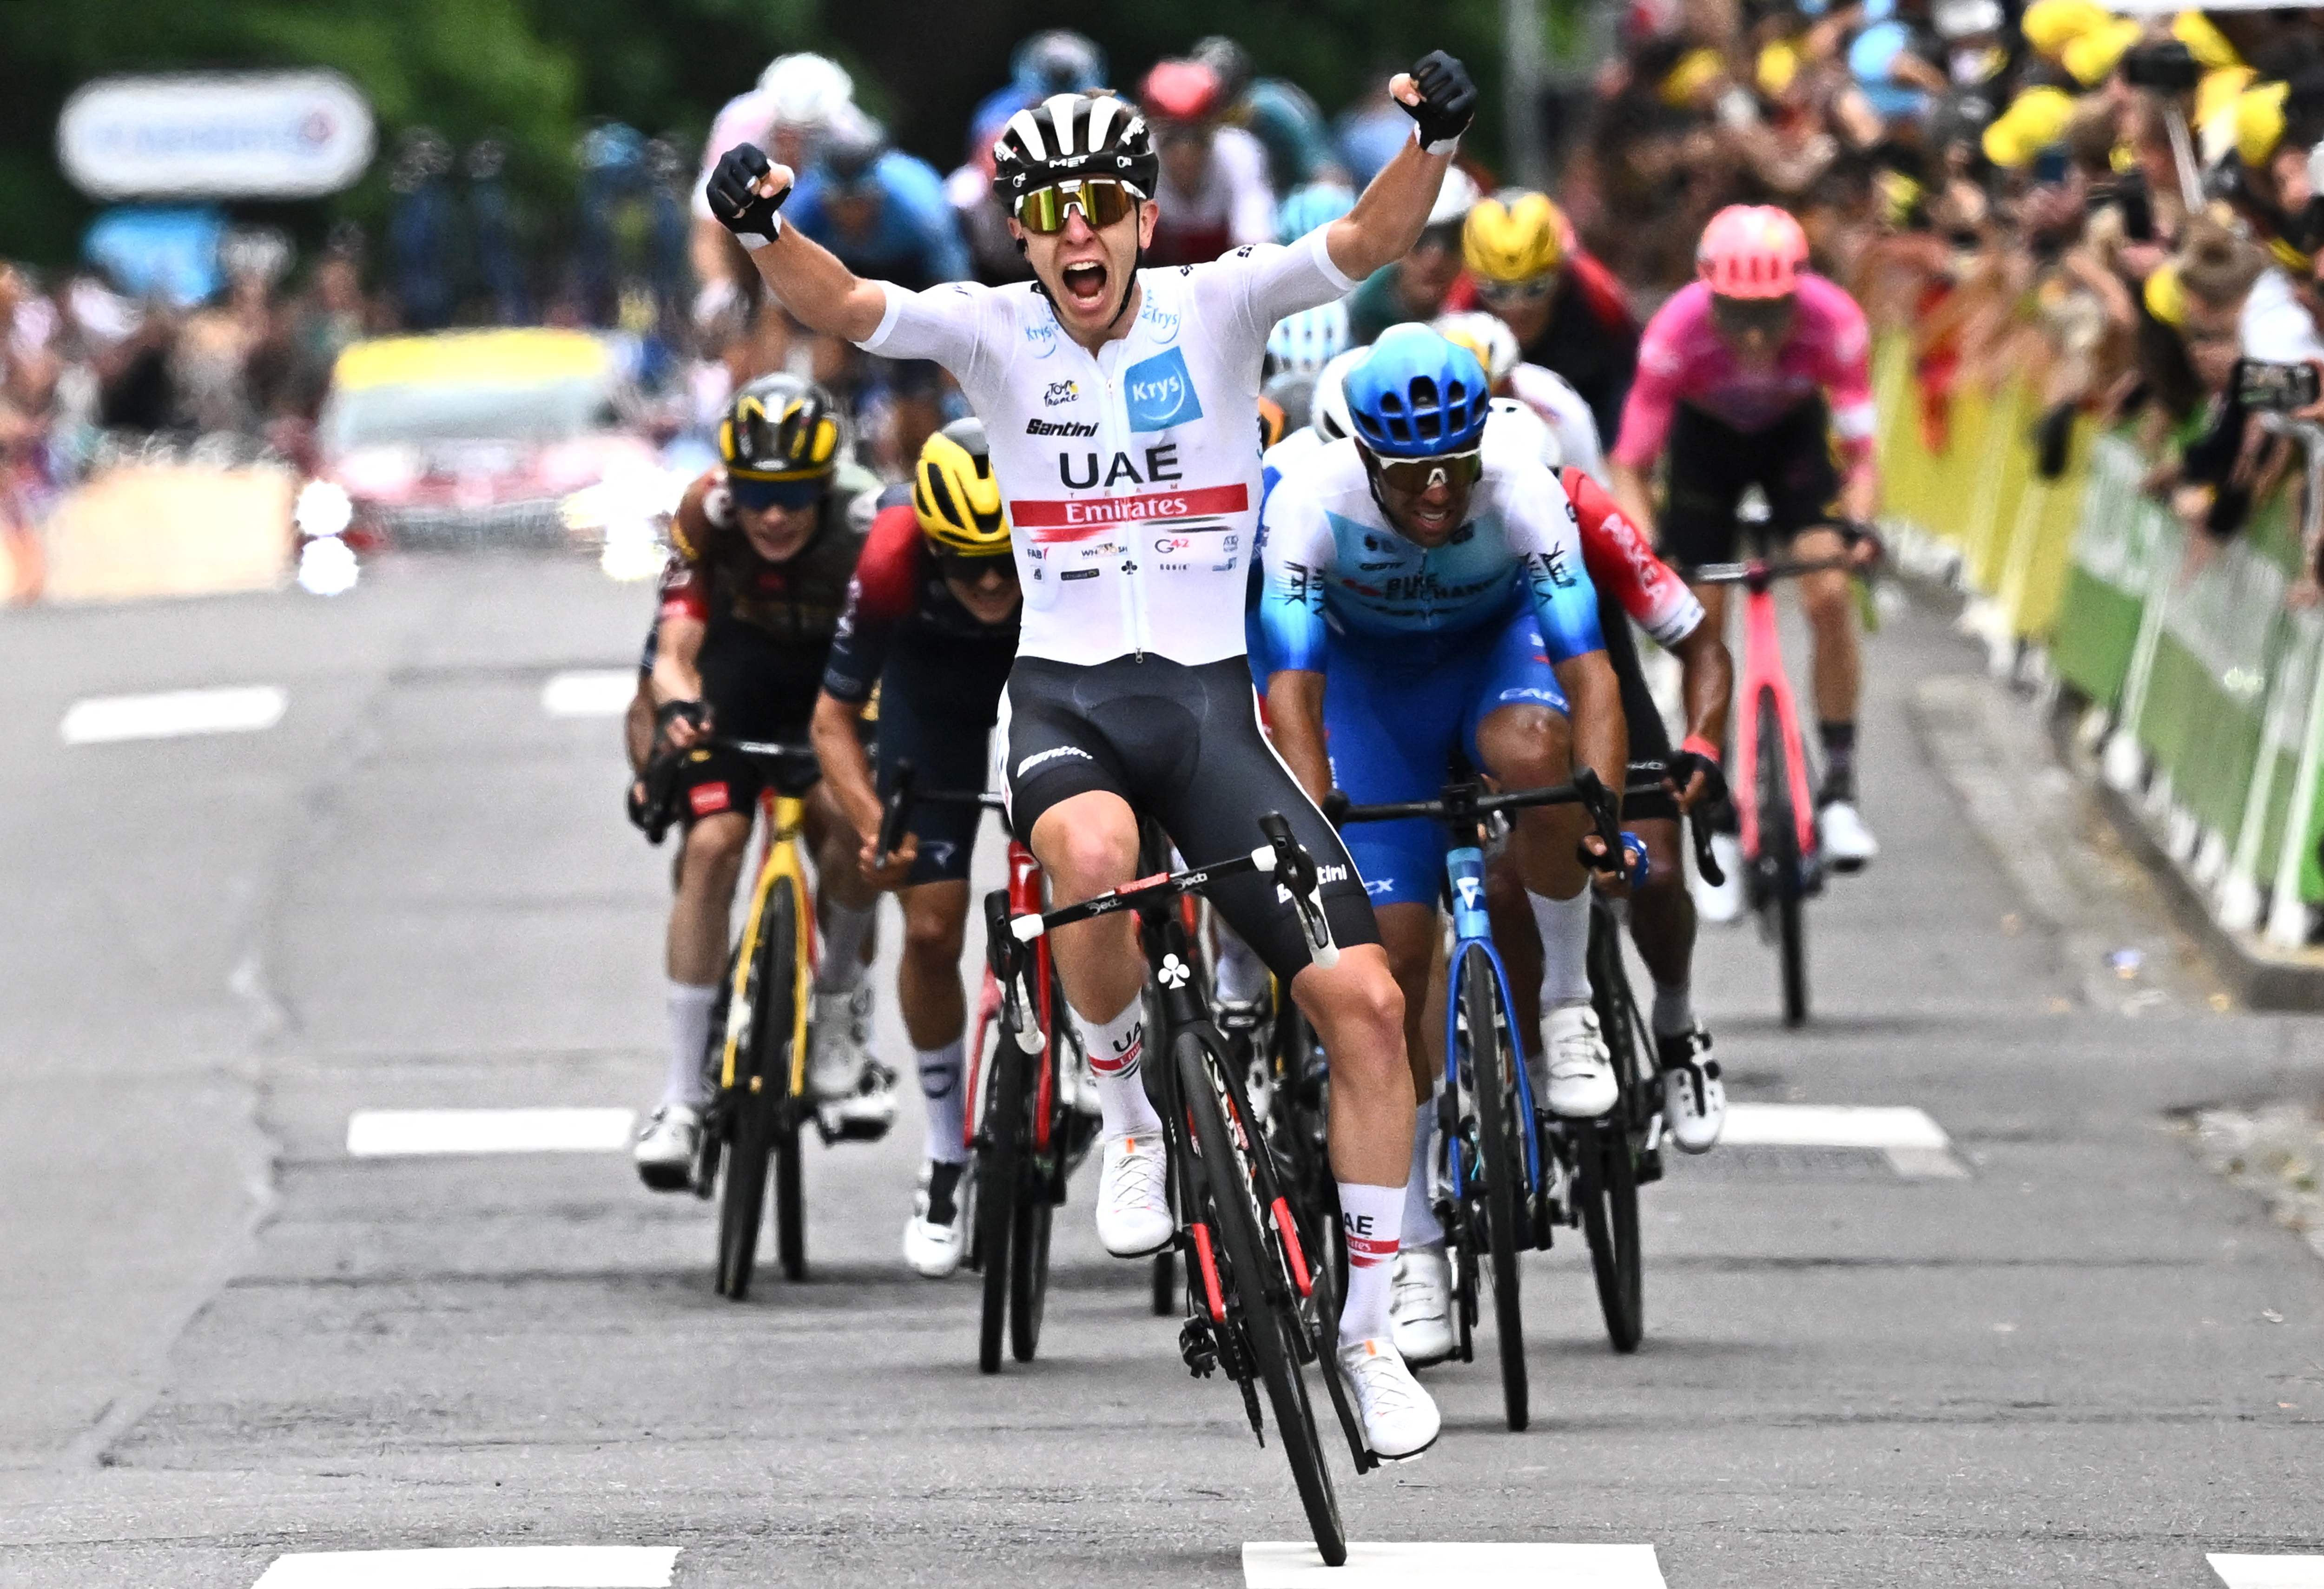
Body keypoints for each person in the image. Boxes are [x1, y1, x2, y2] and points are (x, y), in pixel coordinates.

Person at [702, 51, 1483, 1461]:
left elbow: (1371, 239)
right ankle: (1124, 1106)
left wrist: (1430, 136)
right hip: (1069, 707)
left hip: (1209, 718)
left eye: (1099, 207)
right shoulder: (993, 331)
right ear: (1021, 231)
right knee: (1095, 854)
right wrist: (762, 230)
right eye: (1046, 210)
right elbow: (842, 300)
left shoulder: (1221, 302)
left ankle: (1366, 1331)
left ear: (1138, 220)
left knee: (1366, 1007)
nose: (1074, 233)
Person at [1257, 330, 1631, 1367]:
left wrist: (1595, 811)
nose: (1433, 492)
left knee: (1540, 751)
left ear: (1478, 444)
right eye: (1407, 472)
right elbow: (1291, 682)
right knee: (1397, 962)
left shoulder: (1520, 479)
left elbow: (1591, 672)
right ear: (1363, 455)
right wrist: (1313, 801)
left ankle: (1564, 1003)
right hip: (1371, 698)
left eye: (1450, 466)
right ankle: (1413, 1241)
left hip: (1490, 659)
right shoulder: (1307, 494)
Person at [631, 373, 891, 1186]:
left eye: (792, 496)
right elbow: (671, 655)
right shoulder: (703, 511)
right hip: (734, 676)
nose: (772, 515)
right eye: (756, 495)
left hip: (832, 687)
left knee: (854, 831)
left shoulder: (868, 522)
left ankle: (841, 1005)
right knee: (712, 841)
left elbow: (903, 656)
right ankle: (680, 1095)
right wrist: (674, 723)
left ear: (825, 485)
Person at [811, 420, 1026, 1278]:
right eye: (964, 559)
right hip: (929, 697)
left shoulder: (1057, 528)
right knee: (932, 929)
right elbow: (833, 718)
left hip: (1038, 678)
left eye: (1004, 559)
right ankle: (945, 1154)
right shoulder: (891, 553)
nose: (986, 578)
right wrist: (872, 822)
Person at [1608, 204, 1882, 875]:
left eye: (1771, 315)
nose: (1756, 338)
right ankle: (1718, 803)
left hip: (1793, 442)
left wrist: (1858, 527)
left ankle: (1840, 787)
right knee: (1701, 619)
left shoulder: (1837, 321)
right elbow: (1631, 464)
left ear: (1800, 295)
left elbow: (1861, 455)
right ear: (1709, 298)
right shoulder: (1675, 330)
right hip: (1706, 451)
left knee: (1827, 592)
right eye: (1737, 316)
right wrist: (1650, 550)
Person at [1452, 190, 1642, 456]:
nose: (1517, 309)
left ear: (1562, 276)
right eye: (1498, 292)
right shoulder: (1461, 314)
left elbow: (1636, 383)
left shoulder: (1597, 295)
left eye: (1536, 289)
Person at [689, 53, 856, 334]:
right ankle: (725, 307)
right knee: (719, 220)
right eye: (787, 132)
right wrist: (719, 285)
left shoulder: (849, 133)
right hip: (758, 209)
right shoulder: (740, 120)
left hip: (820, 220)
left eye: (808, 134)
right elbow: (710, 211)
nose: (795, 143)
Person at [1138, 59, 1278, 267]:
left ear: (1214, 130)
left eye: (1197, 136)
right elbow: (1122, 258)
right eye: (1171, 137)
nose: (1185, 151)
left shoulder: (1239, 153)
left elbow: (1256, 251)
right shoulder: (1135, 160)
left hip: (1225, 286)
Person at [1343, 167, 1479, 345]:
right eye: (1418, 237)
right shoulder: (1366, 311)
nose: (1434, 259)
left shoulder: (1490, 296)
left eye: (1450, 238)